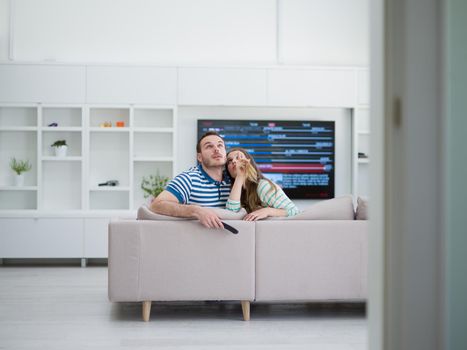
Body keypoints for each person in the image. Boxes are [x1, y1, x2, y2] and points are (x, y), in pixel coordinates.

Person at [150, 131, 231, 229]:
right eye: (209, 146)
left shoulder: (234, 178)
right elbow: (156, 205)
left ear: (226, 154)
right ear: (199, 157)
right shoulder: (189, 178)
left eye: (220, 145)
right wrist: (197, 210)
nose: (216, 149)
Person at [225, 147, 300, 220]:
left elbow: (294, 211)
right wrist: (240, 177)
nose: (234, 161)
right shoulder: (231, 188)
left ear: (249, 163)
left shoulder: (263, 186)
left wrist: (268, 211)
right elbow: (231, 215)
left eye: (238, 157)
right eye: (229, 161)